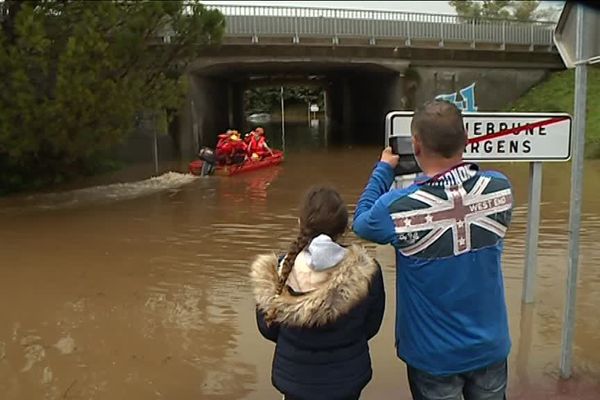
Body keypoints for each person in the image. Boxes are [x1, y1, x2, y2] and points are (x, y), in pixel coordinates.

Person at [353, 100, 513, 400]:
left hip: (433, 355)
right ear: (466, 140)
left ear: (416, 145)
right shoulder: (500, 189)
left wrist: (384, 171)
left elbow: (362, 223)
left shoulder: (397, 208)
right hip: (490, 346)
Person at [250, 186, 385, 400]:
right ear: (344, 228)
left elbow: (268, 329)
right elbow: (371, 326)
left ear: (299, 224)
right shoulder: (368, 272)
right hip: (347, 380)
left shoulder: (278, 272)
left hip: (294, 380)